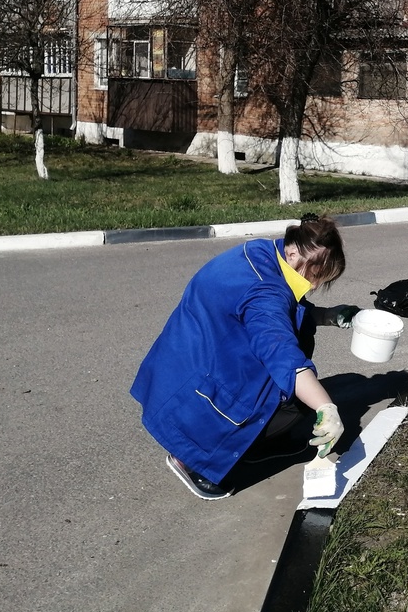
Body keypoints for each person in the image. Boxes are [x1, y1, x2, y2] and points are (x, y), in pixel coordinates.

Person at [130, 214, 359, 501]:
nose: (313, 285)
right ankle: (190, 460)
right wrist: (326, 406)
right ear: (292, 253)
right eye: (314, 276)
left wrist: (327, 315)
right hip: (202, 380)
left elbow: (284, 310)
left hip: (188, 357)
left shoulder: (263, 253)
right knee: (300, 397)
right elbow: (282, 354)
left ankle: (255, 444)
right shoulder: (265, 292)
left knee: (294, 383)